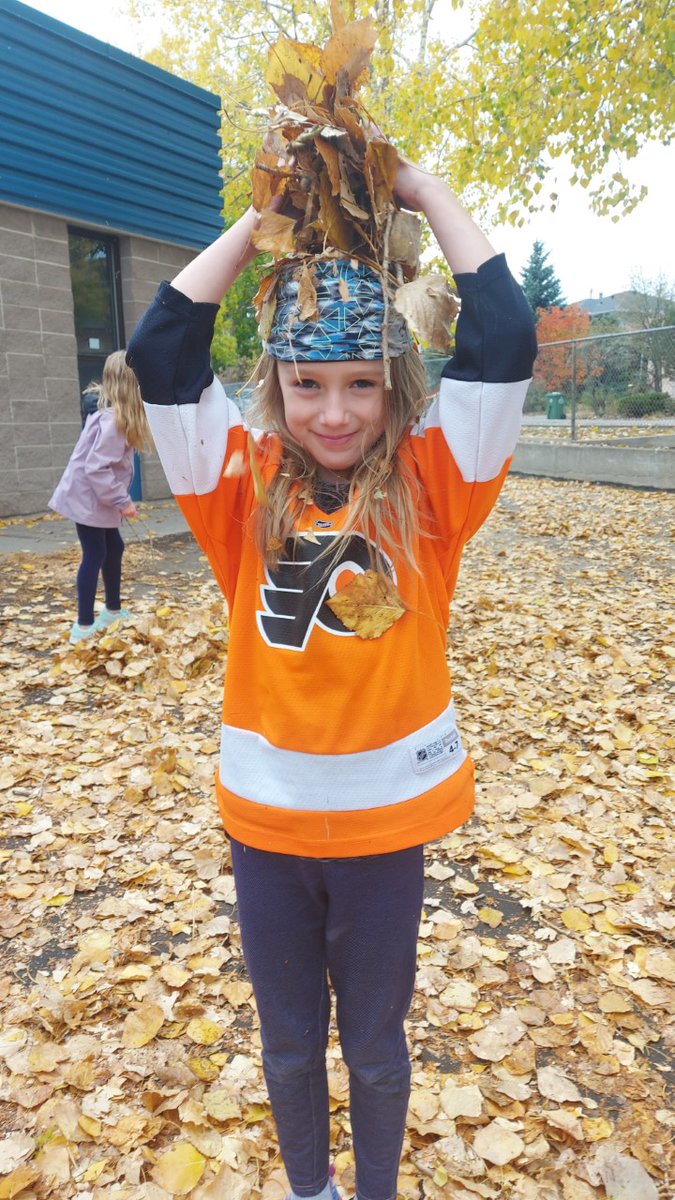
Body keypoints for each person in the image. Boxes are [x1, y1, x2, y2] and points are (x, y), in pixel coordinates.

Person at [126, 157, 537, 1200]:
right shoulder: (237, 483)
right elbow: (162, 351)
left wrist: (425, 191)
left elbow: (501, 337)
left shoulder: (437, 485)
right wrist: (259, 222)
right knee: (288, 1046)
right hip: (266, 830)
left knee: (378, 1049)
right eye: (308, 385)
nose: (336, 412)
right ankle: (309, 1188)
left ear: (394, 387)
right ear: (276, 387)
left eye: (361, 383)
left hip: (385, 833)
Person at [49, 349, 151, 645]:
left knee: (113, 547)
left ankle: (112, 611)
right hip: (88, 501)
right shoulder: (113, 422)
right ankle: (83, 626)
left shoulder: (112, 417)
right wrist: (122, 500)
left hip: (94, 500)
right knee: (94, 555)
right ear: (132, 385)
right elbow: (96, 468)